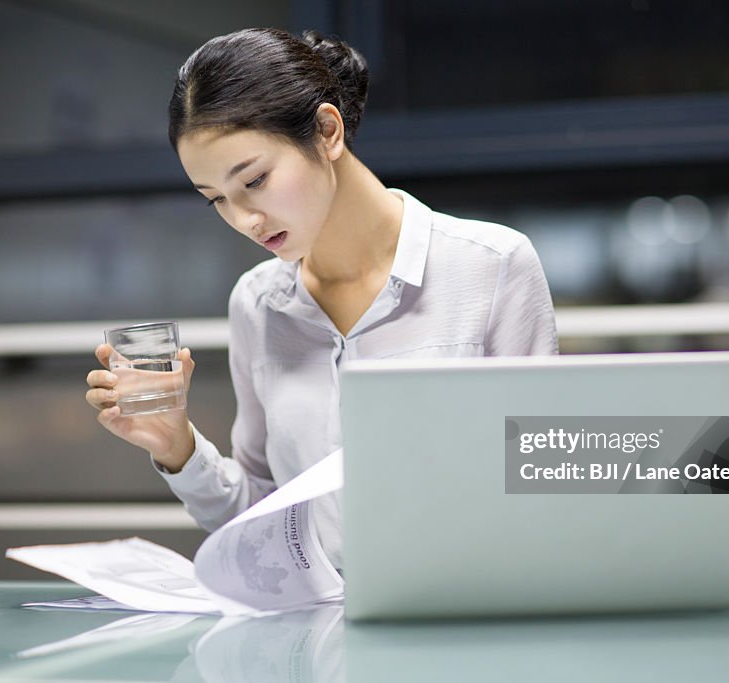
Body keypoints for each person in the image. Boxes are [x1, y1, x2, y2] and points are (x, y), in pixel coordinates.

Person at [85, 28, 558, 568]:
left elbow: (543, 489)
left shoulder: (490, 267)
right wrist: (178, 448)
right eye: (217, 199)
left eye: (256, 180)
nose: (245, 220)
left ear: (327, 131)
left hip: (462, 624)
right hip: (312, 638)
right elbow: (265, 523)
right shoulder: (257, 304)